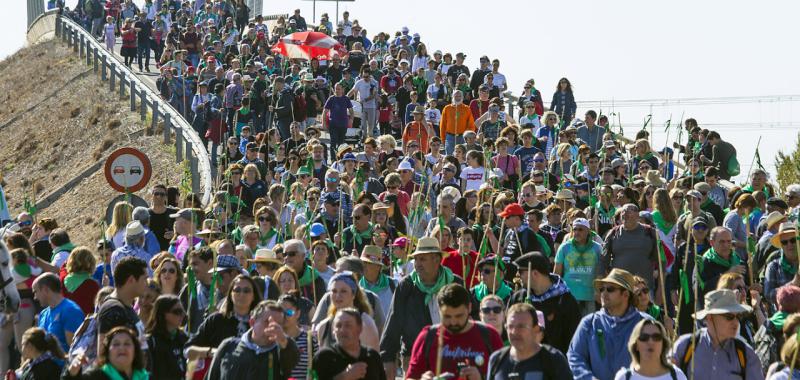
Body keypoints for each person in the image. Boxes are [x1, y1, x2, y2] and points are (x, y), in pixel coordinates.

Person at [379, 237, 466, 379]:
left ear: (437, 260)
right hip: (415, 356)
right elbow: (393, 323)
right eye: (416, 259)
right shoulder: (406, 286)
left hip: (452, 354)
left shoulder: (455, 283)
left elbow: (471, 318)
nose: (417, 264)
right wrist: (387, 360)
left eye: (422, 259)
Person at [405, 283, 503, 380]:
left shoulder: (490, 335)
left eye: (459, 316)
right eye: (447, 316)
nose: (453, 322)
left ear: (469, 308)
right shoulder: (427, 337)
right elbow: (411, 377)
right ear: (439, 310)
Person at [568, 269, 649, 380]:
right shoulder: (589, 323)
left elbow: (657, 361)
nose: (603, 293)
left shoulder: (646, 324)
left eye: (610, 289)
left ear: (625, 295)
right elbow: (575, 357)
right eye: (602, 289)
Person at [670, 289, 764, 380]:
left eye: (738, 316)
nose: (736, 322)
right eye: (729, 317)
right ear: (710, 317)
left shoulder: (746, 354)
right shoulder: (684, 347)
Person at [205, 300, 300, 380]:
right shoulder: (228, 346)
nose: (273, 327)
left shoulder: (281, 353)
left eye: (278, 324)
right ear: (252, 322)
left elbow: (293, 359)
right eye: (267, 322)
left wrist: (284, 341)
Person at [510, 252, 581, 354]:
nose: (518, 276)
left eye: (521, 272)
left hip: (555, 363)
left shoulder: (565, 301)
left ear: (534, 273)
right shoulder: (519, 298)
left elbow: (574, 340)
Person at [487, 303, 572, 380]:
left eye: (521, 326)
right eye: (510, 326)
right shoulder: (497, 360)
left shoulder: (553, 360)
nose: (514, 332)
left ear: (535, 329)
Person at [313, 308, 387, 380]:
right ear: (333, 330)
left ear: (359, 328)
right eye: (338, 326)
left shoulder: (372, 357)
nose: (342, 330)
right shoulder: (323, 357)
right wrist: (344, 377)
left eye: (348, 325)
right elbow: (313, 378)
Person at [601, 203, 660, 290]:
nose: (625, 214)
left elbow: (661, 261)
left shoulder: (650, 233)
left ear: (637, 216)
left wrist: (660, 289)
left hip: (644, 289)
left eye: (629, 211)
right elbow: (603, 261)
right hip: (619, 287)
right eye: (623, 212)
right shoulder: (613, 233)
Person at [96, 257, 148, 355]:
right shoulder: (112, 310)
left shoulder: (125, 307)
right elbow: (103, 354)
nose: (147, 283)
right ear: (131, 280)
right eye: (145, 279)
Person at [64, 326, 148, 380]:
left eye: (127, 344)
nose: (122, 348)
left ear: (135, 350)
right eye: (116, 344)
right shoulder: (96, 376)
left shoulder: (145, 377)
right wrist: (72, 374)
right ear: (108, 351)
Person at [614, 319, 687, 380]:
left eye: (656, 337)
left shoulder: (677, 376)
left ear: (663, 344)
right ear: (636, 345)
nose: (650, 342)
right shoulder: (624, 377)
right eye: (644, 337)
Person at [31, 273, 84, 352]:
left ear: (46, 289)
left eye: (35, 292)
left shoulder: (70, 311)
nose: (35, 297)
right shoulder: (43, 314)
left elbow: (76, 350)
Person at [145, 294, 188, 380]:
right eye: (177, 311)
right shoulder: (150, 342)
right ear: (163, 314)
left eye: (183, 311)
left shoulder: (183, 338)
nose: (183, 315)